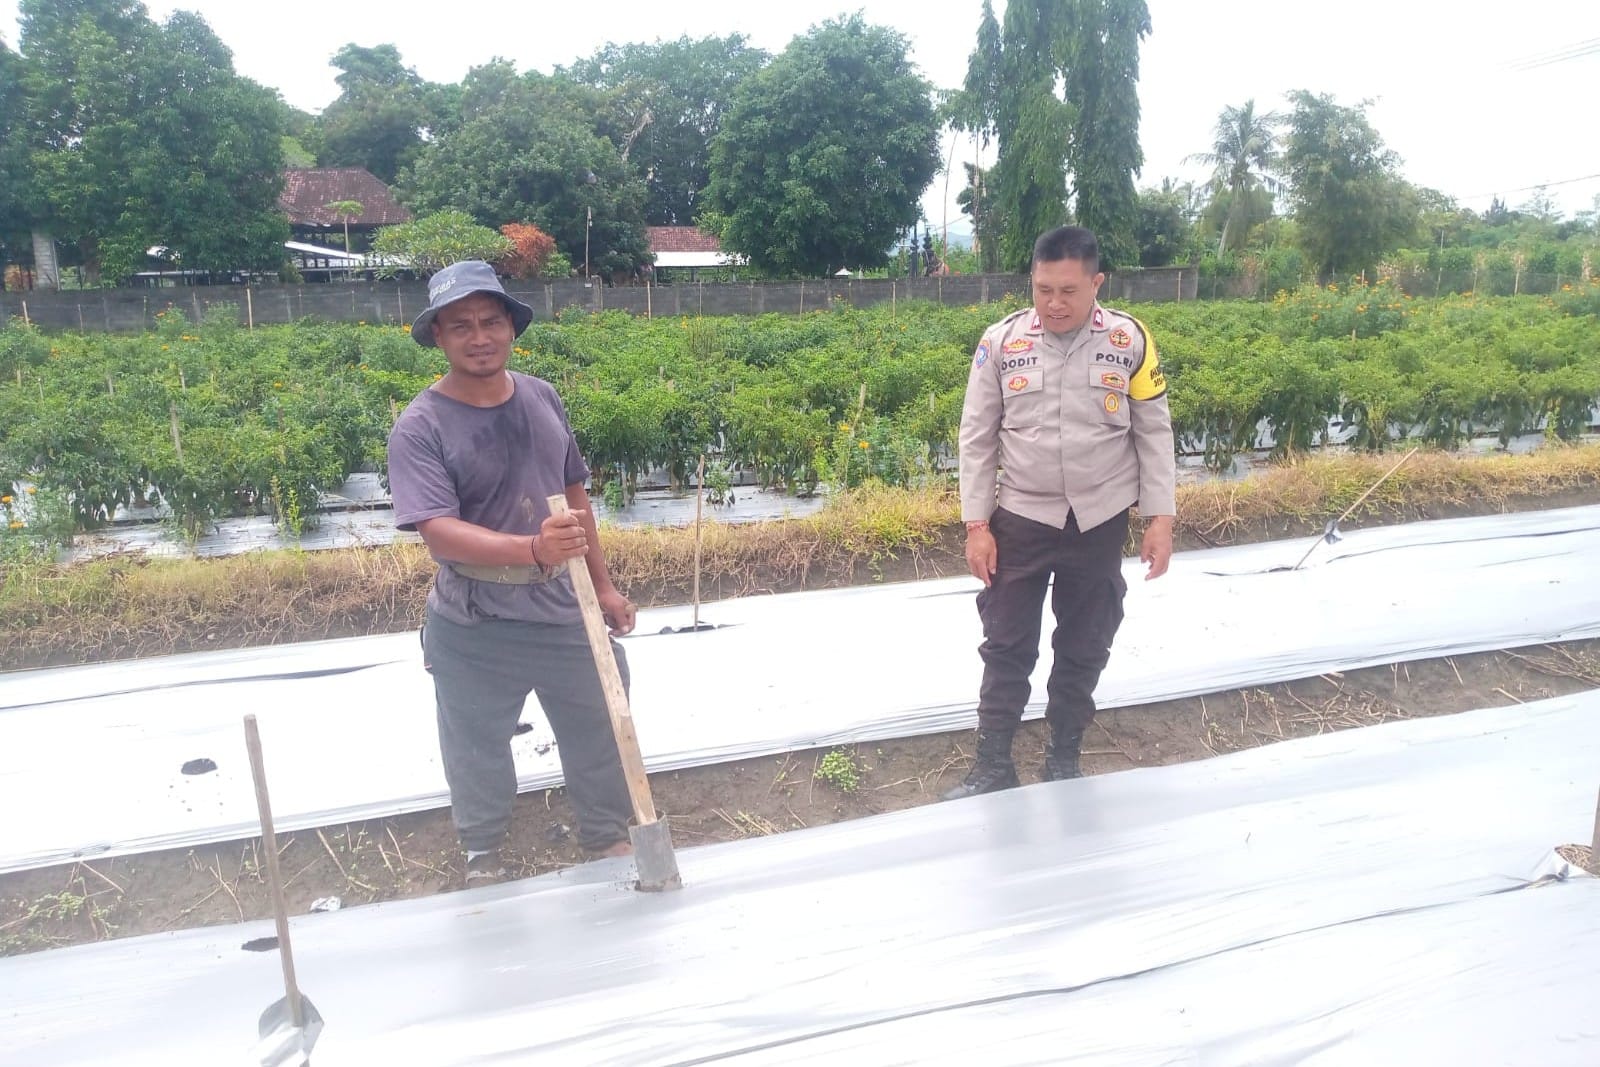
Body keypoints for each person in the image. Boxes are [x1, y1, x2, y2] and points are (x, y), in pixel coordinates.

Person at [386, 260, 638, 883]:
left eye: (490, 322)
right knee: (475, 745)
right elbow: (437, 530)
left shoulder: (542, 395)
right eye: (461, 326)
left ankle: (606, 836)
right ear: (439, 338)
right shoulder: (420, 426)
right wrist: (531, 550)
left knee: (602, 720)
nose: (479, 337)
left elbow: (574, 497)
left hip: (562, 605)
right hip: (476, 621)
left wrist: (602, 585)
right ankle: (483, 851)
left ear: (511, 328)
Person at [944, 226, 1176, 801]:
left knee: (1085, 642)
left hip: (1098, 522)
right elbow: (977, 437)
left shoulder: (1130, 341)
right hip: (1019, 520)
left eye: (1068, 290)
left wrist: (1160, 517)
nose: (1053, 303)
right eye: (1042, 289)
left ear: (1096, 283)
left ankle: (1063, 759)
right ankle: (994, 763)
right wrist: (977, 526)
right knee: (1006, 643)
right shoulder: (1001, 343)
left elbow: (1153, 431)